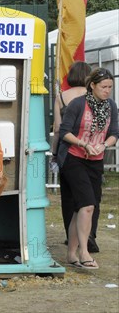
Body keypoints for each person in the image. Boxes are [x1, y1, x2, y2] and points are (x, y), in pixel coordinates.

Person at [58, 67, 118, 270]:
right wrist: (83, 144)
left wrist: (104, 145)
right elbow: (64, 132)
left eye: (110, 87)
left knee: (80, 208)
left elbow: (115, 132)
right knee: (87, 205)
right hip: (73, 158)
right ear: (92, 85)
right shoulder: (78, 104)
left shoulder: (111, 106)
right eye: (104, 87)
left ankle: (71, 253)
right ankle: (84, 252)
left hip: (96, 159)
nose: (107, 91)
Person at [51, 61, 101, 252]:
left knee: (70, 196)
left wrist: (54, 155)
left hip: (68, 149)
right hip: (93, 149)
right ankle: (90, 235)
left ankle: (70, 237)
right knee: (93, 196)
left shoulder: (62, 97)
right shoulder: (94, 96)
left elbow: (57, 129)